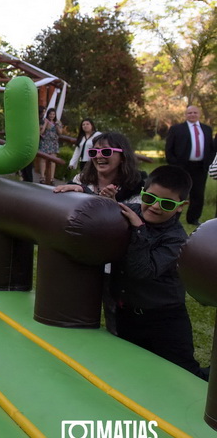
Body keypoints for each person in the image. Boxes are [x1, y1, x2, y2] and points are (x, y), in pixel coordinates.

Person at [111, 165, 207, 380]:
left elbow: (142, 270)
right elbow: (103, 208)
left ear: (181, 206)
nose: (155, 207)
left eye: (166, 203)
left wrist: (138, 229)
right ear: (142, 193)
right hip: (128, 314)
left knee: (184, 375)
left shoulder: (176, 239)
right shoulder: (132, 211)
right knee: (136, 371)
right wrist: (78, 190)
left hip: (165, 319)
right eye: (150, 197)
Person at [53, 131, 145, 203]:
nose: (98, 156)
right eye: (94, 152)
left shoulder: (135, 187)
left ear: (123, 156)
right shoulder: (80, 180)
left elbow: (137, 219)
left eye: (106, 152)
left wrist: (112, 204)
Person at [165, 105, 214, 226]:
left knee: (198, 194)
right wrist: (174, 163)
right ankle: (172, 218)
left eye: (195, 112)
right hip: (182, 166)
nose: (192, 115)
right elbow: (168, 148)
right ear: (185, 115)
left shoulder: (207, 129)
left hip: (200, 167)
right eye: (189, 113)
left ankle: (193, 219)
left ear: (199, 114)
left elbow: (211, 149)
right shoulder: (177, 129)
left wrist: (209, 162)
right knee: (178, 192)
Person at [36, 107, 62, 185]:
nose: (52, 115)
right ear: (48, 114)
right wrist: (45, 124)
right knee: (43, 159)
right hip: (45, 142)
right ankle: (42, 177)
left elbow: (60, 133)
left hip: (53, 143)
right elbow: (41, 132)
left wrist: (57, 125)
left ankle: (52, 178)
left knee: (53, 160)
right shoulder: (44, 121)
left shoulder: (57, 122)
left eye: (53, 114)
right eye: (50, 114)